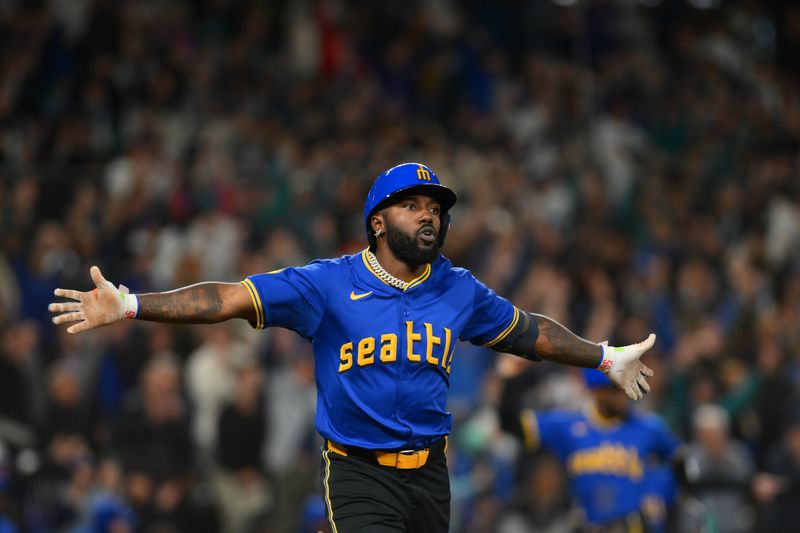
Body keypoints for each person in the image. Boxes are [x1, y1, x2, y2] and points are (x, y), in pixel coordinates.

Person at [50, 162, 657, 533]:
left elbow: (531, 333)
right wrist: (132, 304)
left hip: (431, 474)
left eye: (436, 209)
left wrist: (603, 356)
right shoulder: (327, 283)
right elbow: (227, 298)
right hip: (358, 470)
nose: (429, 216)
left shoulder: (457, 288)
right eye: (413, 205)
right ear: (377, 221)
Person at [501, 367, 680, 533]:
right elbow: (512, 425)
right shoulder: (568, 426)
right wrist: (511, 378)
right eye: (615, 388)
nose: (624, 393)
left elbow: (679, 463)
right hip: (586, 525)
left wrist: (659, 492)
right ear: (597, 391)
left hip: (634, 526)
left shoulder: (649, 427)